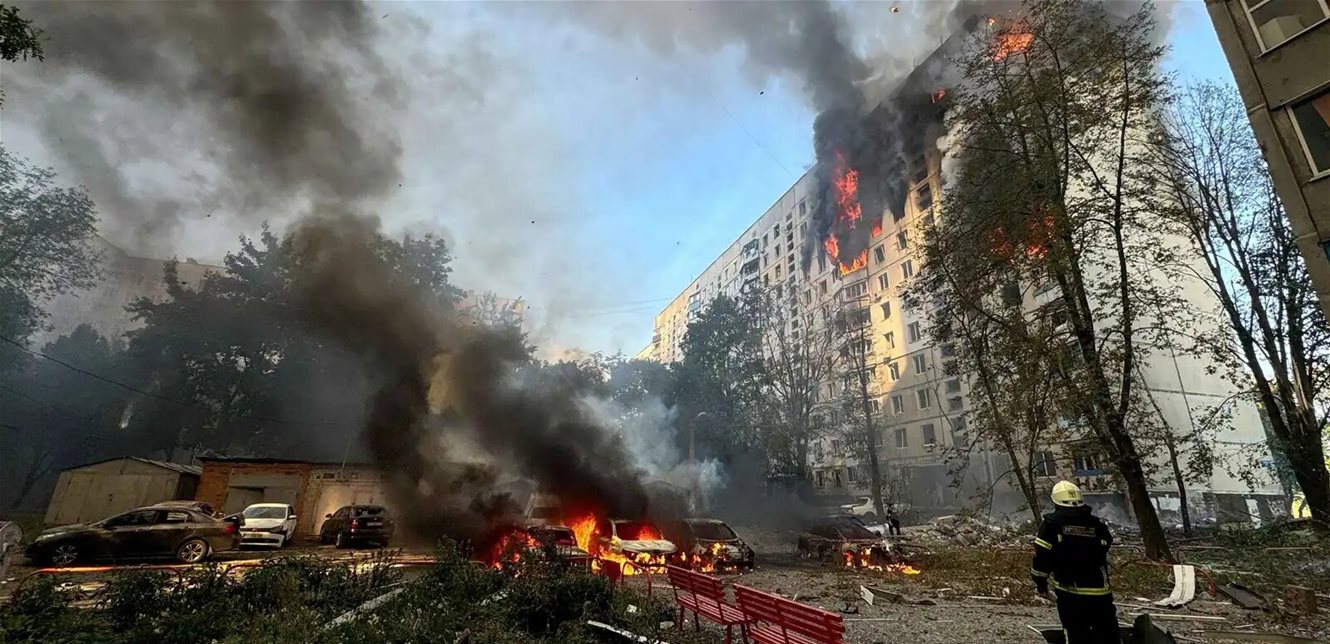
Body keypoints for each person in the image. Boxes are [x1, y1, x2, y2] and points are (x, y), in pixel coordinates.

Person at [1031, 481, 1119, 643]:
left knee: (1076, 634)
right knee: (1108, 635)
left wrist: (1040, 583)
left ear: (1055, 501)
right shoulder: (1096, 524)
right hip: (1101, 593)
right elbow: (1106, 544)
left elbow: (1042, 557)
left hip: (1071, 593)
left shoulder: (1052, 524)